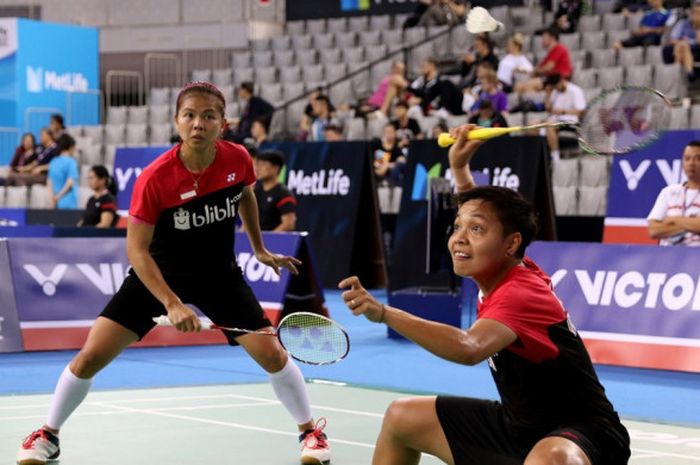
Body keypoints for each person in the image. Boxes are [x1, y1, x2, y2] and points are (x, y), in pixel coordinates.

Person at [16, 81, 330, 465]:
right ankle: (48, 435)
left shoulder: (238, 159)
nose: (198, 123)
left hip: (220, 277)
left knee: (272, 355)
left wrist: (259, 247)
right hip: (159, 277)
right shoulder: (154, 177)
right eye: (190, 115)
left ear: (223, 123)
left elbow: (245, 194)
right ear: (177, 121)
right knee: (91, 356)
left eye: (208, 116)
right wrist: (172, 302)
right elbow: (136, 249)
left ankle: (310, 432)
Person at [338, 123, 631, 465]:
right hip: (517, 428)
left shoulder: (521, 292)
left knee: (551, 457)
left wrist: (386, 314)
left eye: (474, 230)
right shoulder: (500, 267)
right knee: (402, 417)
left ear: (511, 244)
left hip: (585, 435)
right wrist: (460, 168)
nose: (460, 238)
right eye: (457, 226)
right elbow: (487, 218)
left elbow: (469, 348)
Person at [647, 140, 700, 245]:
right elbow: (653, 230)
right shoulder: (668, 192)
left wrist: (673, 219)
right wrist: (690, 224)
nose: (691, 163)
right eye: (687, 158)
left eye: (698, 159)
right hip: (667, 257)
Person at [539, 73, 586, 161]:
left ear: (561, 81)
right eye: (554, 87)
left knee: (549, 126)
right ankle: (539, 156)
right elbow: (548, 109)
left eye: (556, 86)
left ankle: (555, 157)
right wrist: (548, 94)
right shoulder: (555, 92)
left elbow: (581, 112)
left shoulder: (575, 90)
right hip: (555, 120)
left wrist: (563, 111)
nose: (556, 89)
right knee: (532, 126)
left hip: (571, 121)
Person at [515, 28, 572, 95]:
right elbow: (540, 68)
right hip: (549, 79)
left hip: (558, 79)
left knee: (527, 86)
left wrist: (536, 71)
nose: (542, 41)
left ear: (552, 38)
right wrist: (533, 72)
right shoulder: (549, 54)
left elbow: (548, 67)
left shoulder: (559, 48)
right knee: (519, 86)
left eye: (544, 38)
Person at [253, 149, 297, 232]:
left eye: (263, 165)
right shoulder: (256, 191)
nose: (258, 169)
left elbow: (288, 223)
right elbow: (249, 221)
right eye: (257, 165)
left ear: (275, 168)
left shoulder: (283, 193)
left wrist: (269, 239)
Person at [662, 2, 700, 81]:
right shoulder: (682, 23)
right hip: (681, 47)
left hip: (696, 50)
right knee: (682, 46)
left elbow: (698, 42)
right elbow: (672, 40)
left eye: (698, 13)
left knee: (681, 47)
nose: (695, 15)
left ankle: (676, 78)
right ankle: (689, 72)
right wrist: (683, 43)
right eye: (694, 12)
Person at [47, 134, 79, 210]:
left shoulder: (53, 162)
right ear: (71, 147)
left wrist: (53, 199)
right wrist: (58, 197)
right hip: (68, 203)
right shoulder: (71, 162)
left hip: (55, 204)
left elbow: (49, 182)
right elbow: (70, 183)